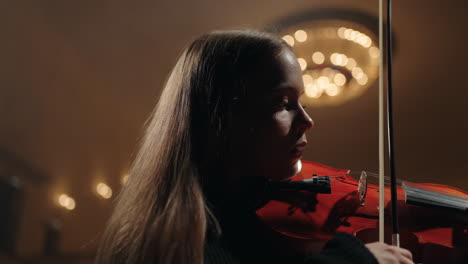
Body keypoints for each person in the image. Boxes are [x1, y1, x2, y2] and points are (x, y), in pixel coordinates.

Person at [95, 29, 414, 264]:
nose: (307, 121)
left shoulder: (252, 223)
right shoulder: (184, 246)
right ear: (221, 118)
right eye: (282, 102)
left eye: (300, 101)